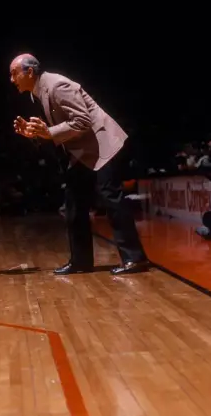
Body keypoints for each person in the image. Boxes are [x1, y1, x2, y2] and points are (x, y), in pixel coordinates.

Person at [9, 53, 149, 275]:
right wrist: (35, 134)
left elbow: (83, 121)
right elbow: (57, 130)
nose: (11, 79)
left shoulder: (57, 85)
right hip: (82, 151)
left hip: (102, 143)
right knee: (73, 202)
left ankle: (135, 258)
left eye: (14, 73)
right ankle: (81, 261)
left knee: (111, 197)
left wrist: (48, 132)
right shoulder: (38, 92)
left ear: (30, 72)